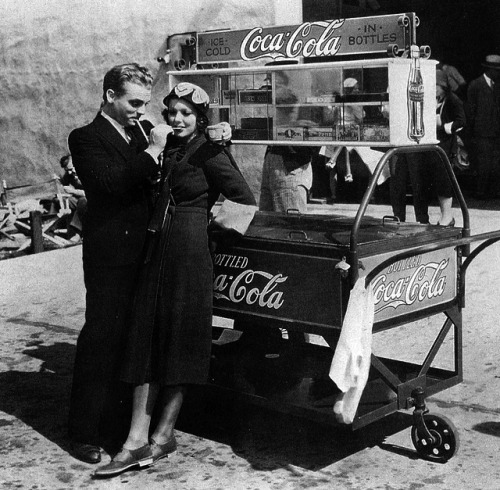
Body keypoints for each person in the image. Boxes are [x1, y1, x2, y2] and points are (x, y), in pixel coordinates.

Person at [67, 64, 231, 465]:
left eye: (144, 103)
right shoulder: (86, 137)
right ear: (110, 97)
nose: (141, 111)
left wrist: (220, 133)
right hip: (111, 257)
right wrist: (153, 151)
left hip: (148, 253)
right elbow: (110, 183)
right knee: (102, 338)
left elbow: (187, 156)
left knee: (133, 344)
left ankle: (118, 424)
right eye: (133, 102)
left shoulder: (139, 130)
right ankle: (83, 431)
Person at [94, 82, 256, 477]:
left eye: (186, 113)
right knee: (145, 339)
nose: (177, 119)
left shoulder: (209, 151)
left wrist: (207, 230)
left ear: (200, 118)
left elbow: (245, 200)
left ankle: (161, 435)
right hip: (155, 250)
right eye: (172, 112)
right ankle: (136, 440)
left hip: (188, 254)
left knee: (181, 341)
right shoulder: (162, 147)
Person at [466, 54, 500, 199]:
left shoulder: (497, 85)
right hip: (482, 133)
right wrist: (471, 133)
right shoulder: (476, 85)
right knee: (482, 164)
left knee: (495, 163)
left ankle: (493, 191)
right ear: (488, 70)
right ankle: (480, 192)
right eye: (496, 70)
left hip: (496, 132)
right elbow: (470, 110)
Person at [58, 154, 86, 242]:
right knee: (64, 201)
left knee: (83, 201)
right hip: (80, 198)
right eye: (67, 170)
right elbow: (63, 183)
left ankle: (77, 234)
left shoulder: (87, 171)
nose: (70, 172)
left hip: (94, 198)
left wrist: (73, 191)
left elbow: (92, 192)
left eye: (71, 169)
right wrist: (58, 181)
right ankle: (49, 229)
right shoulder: (70, 174)